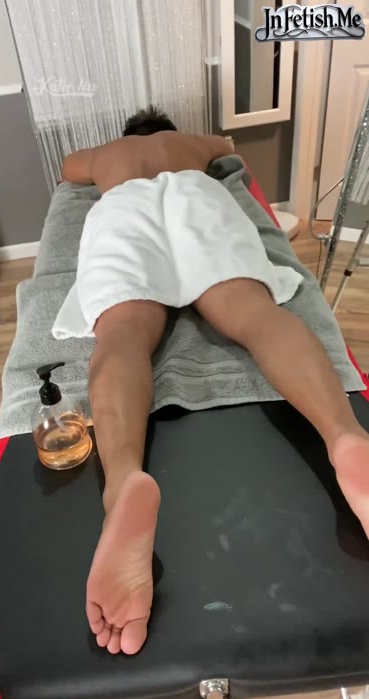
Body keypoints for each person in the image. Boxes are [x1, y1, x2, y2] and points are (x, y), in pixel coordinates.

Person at [60, 105, 369, 657]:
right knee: (255, 314)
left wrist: (108, 160)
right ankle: (345, 436)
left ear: (128, 136)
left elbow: (68, 169)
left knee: (122, 335)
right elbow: (228, 148)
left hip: (123, 210)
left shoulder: (108, 155)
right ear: (167, 133)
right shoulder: (189, 147)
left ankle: (122, 484)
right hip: (195, 199)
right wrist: (199, 146)